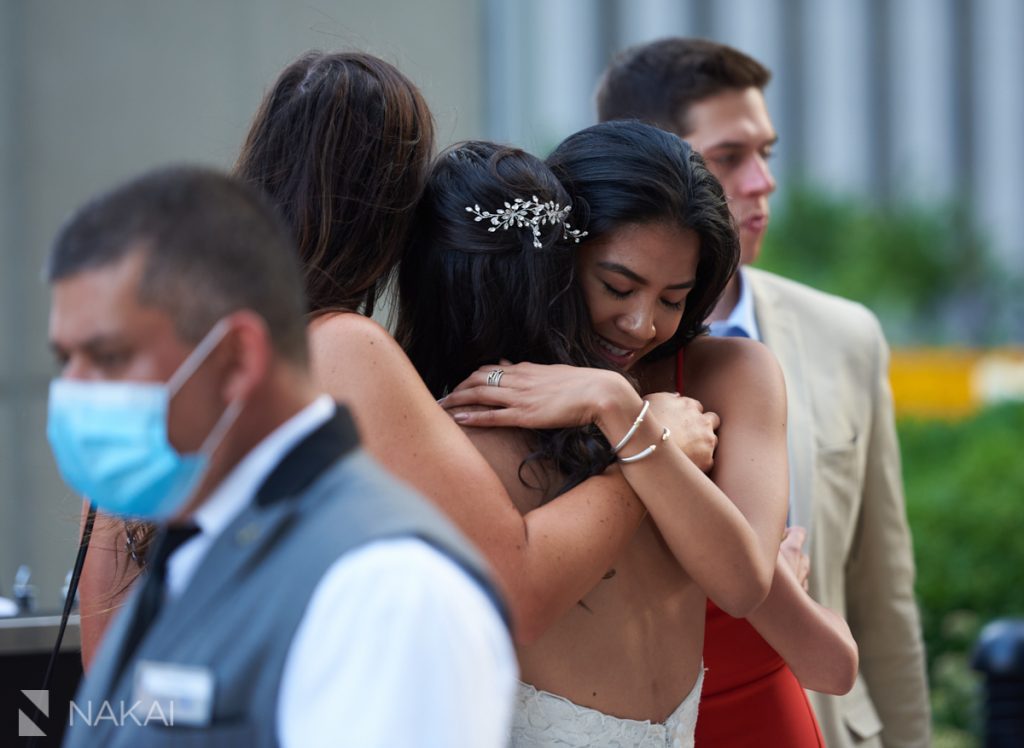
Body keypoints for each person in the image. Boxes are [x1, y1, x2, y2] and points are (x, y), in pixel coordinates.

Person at [75, 51, 723, 667]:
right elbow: (514, 589)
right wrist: (646, 451)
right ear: (390, 211)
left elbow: (105, 646)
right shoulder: (340, 347)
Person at [50, 166, 516, 747]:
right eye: (65, 359)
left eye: (109, 356)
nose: (76, 392)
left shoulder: (386, 589)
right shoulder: (195, 545)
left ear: (238, 360)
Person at [435, 122, 858, 746]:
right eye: (618, 287)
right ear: (559, 254)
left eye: (674, 298)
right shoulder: (513, 389)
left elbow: (744, 584)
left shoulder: (733, 373)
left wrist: (615, 406)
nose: (640, 324)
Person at [595, 38, 930, 747]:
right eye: (729, 157)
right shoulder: (562, 367)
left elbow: (882, 593)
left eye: (767, 153)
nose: (762, 181)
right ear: (654, 163)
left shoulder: (847, 337)